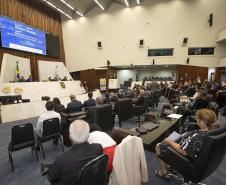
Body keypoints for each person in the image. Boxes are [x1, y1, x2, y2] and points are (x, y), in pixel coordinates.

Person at [155, 109, 218, 179]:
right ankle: (172, 167)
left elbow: (184, 151)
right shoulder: (211, 132)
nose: (196, 119)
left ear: (202, 122)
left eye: (197, 119)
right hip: (195, 156)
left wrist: (170, 142)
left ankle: (163, 172)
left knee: (159, 146)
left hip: (187, 159)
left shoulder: (199, 136)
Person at [47, 120, 103, 185]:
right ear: (88, 135)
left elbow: (51, 178)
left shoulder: (60, 160)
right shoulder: (98, 148)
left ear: (70, 137)